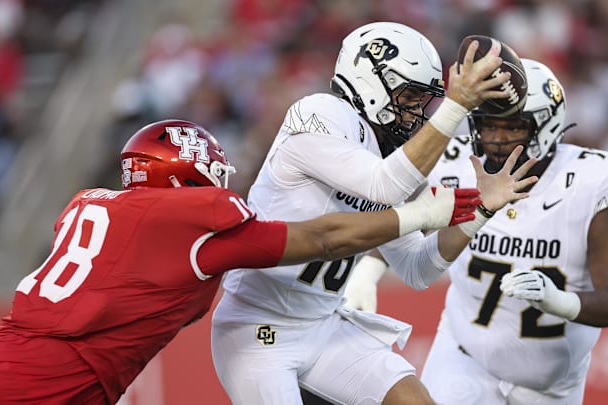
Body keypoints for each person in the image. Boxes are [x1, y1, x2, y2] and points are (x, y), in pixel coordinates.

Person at [0, 118, 488, 404]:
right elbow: (323, 237)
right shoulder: (189, 217)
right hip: (45, 382)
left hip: (8, 363)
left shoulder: (90, 204)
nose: (220, 183)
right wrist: (417, 214)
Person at [210, 21, 538, 405]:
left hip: (324, 323)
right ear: (369, 79)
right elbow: (384, 186)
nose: (416, 112)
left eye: (423, 101)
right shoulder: (321, 112)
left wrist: (480, 211)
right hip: (258, 325)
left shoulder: (389, 157)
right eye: (410, 97)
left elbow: (418, 268)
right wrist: (457, 105)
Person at [343, 59, 608, 404]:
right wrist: (369, 271)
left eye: (512, 127)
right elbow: (401, 216)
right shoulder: (457, 163)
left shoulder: (586, 182)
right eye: (488, 126)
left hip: (550, 385)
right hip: (463, 357)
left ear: (546, 126)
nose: (497, 139)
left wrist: (559, 302)